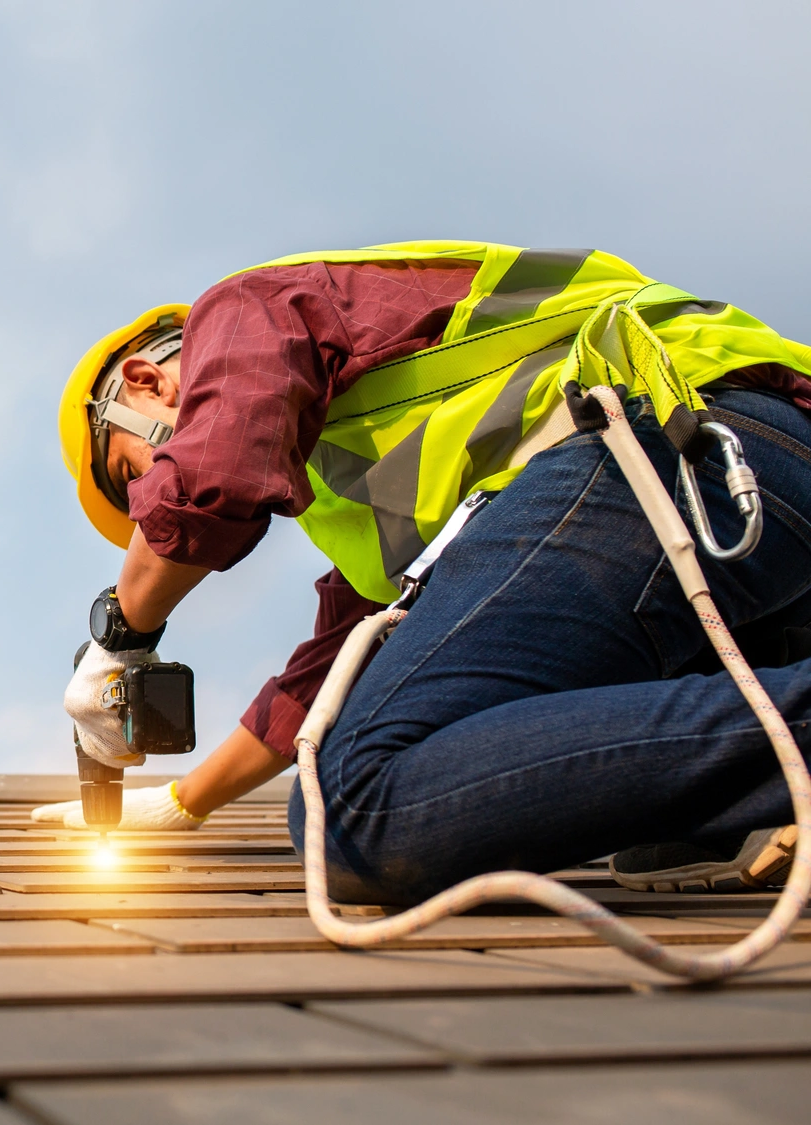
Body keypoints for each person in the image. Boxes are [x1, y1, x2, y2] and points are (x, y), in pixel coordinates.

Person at [41, 242, 811, 902]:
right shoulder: (354, 488)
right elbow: (322, 682)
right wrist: (181, 804)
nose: (150, 509)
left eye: (135, 477)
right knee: (659, 836)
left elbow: (210, 476)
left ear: (144, 382)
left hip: (663, 441)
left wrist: (121, 633)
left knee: (348, 807)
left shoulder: (241, 314)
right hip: (759, 480)